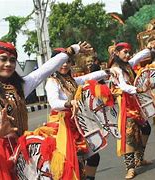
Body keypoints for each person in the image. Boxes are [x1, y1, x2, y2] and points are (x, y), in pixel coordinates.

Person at [0, 40, 91, 179]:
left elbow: (44, 70)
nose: (8, 64)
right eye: (3, 59)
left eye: (12, 60)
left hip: (22, 149)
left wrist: (72, 50)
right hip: (2, 156)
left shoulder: (20, 87)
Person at [45, 48, 115, 180]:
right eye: (61, 62)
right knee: (73, 162)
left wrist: (109, 71)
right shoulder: (52, 82)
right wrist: (69, 103)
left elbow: (88, 77)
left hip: (77, 122)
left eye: (68, 61)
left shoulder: (71, 80)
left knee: (94, 157)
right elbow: (54, 103)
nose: (65, 65)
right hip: (63, 126)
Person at [108, 42, 155, 179]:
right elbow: (123, 86)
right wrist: (137, 89)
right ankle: (130, 168)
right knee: (128, 135)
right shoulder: (116, 69)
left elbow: (139, 57)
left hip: (135, 103)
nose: (128, 55)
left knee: (146, 128)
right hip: (125, 105)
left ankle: (139, 158)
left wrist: (149, 48)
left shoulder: (127, 64)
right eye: (125, 52)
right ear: (117, 53)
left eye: (129, 52)